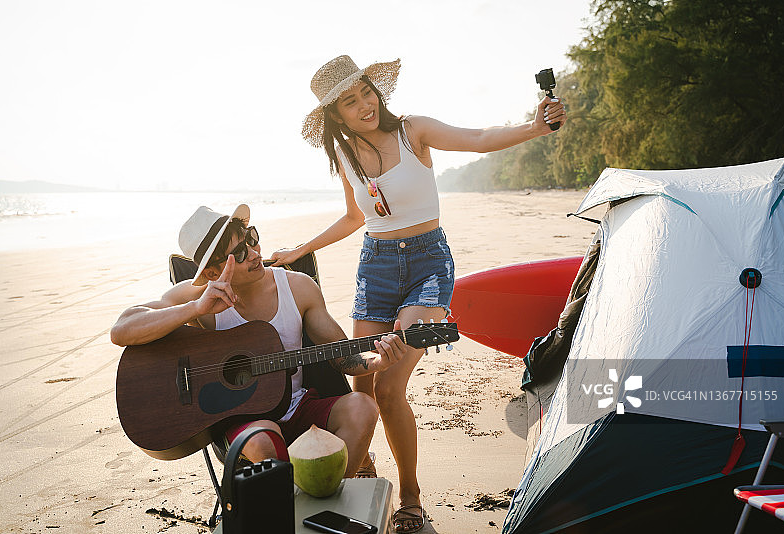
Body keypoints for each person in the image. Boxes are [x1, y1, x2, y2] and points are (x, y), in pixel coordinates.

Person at [270, 55, 567, 532]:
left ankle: (409, 497)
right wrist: (300, 249)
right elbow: (355, 217)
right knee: (362, 386)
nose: (365, 104)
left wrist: (535, 128)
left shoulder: (414, 131)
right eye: (350, 101)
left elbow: (478, 138)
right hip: (375, 267)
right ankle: (364, 467)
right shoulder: (345, 155)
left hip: (428, 264)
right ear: (336, 115)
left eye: (366, 92)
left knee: (390, 388)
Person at [110, 203, 407, 476]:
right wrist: (195, 308)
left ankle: (330, 493)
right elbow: (122, 329)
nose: (254, 254)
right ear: (212, 272)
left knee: (363, 407)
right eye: (239, 253)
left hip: (298, 407)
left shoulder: (298, 288)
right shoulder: (197, 297)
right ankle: (290, 503)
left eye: (251, 239)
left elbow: (343, 356)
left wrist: (377, 361)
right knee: (263, 440)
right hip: (241, 421)